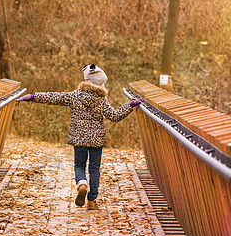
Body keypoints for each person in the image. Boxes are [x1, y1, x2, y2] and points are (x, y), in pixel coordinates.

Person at [15, 64, 141, 210]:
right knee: (94, 169)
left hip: (79, 138)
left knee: (79, 165)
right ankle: (92, 201)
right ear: (100, 84)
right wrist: (130, 105)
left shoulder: (75, 96)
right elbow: (115, 116)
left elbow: (55, 97)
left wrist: (33, 97)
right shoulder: (101, 100)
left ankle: (82, 183)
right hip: (96, 139)